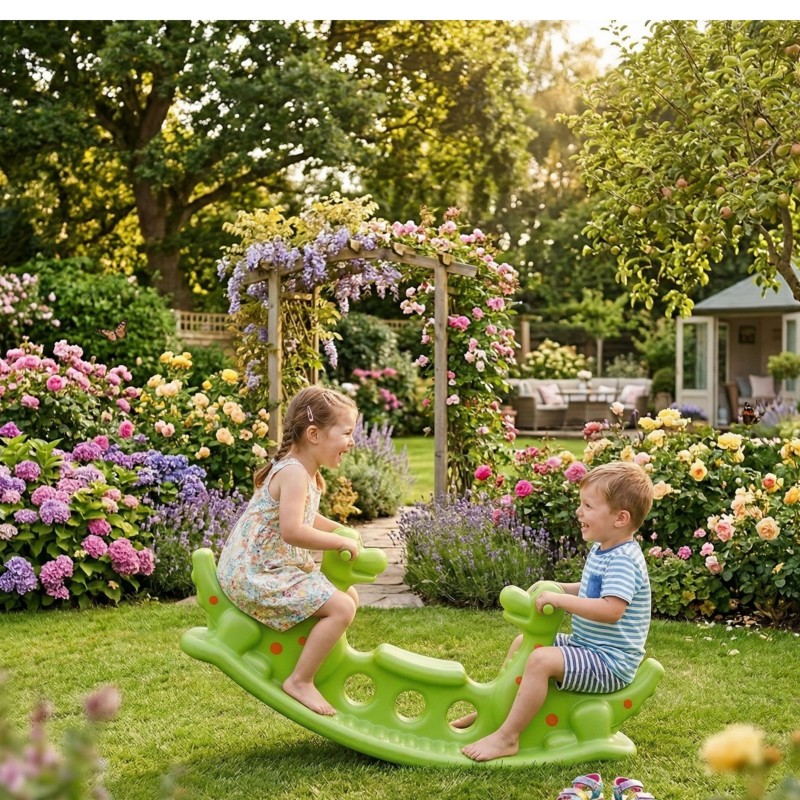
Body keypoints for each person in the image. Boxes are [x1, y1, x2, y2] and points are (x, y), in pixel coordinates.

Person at [460, 460, 654, 762]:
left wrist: (561, 602)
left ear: (620, 518)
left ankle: (508, 737)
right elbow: (590, 590)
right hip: (587, 647)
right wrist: (559, 588)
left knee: (541, 660)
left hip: (610, 662)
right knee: (524, 644)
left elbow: (611, 609)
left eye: (588, 506)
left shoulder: (623, 560)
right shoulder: (603, 549)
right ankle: (497, 710)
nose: (579, 512)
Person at [217, 385, 361, 716]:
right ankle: (300, 680)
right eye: (346, 433)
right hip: (254, 574)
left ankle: (313, 659)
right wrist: (339, 542)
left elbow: (306, 516)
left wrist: (340, 530)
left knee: (348, 595)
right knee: (341, 607)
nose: (352, 441)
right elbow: (293, 530)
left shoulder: (304, 471)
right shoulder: (294, 472)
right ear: (314, 434)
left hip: (269, 565)